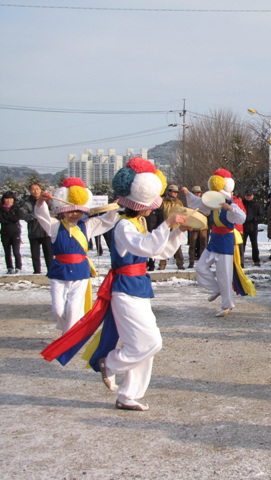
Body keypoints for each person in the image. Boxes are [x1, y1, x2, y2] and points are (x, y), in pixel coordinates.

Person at [41, 157, 189, 411]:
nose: (154, 209)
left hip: (138, 287)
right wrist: (167, 224)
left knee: (144, 345)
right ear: (140, 205)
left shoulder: (138, 223)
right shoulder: (123, 226)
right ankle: (109, 363)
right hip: (124, 290)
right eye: (151, 206)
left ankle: (127, 395)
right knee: (150, 342)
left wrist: (176, 233)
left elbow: (160, 251)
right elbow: (147, 246)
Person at [34, 178, 119, 332]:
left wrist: (115, 207)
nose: (74, 214)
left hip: (80, 272)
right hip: (59, 271)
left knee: (73, 308)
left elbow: (107, 221)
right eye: (71, 211)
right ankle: (66, 329)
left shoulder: (87, 226)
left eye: (78, 211)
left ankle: (68, 338)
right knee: (57, 310)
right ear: (63, 211)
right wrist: (40, 202)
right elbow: (42, 216)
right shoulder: (55, 226)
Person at [183, 168, 255, 317]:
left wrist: (231, 209)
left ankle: (227, 304)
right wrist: (187, 194)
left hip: (226, 243)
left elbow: (242, 218)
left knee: (225, 276)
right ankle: (216, 289)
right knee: (201, 268)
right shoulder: (212, 206)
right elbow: (198, 202)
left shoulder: (231, 206)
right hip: (213, 241)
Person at [21, 183, 53, 274]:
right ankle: (37, 272)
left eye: (37, 189)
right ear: (30, 191)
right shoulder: (27, 203)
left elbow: (53, 211)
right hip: (34, 232)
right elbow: (24, 216)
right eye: (33, 189)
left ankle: (50, 272)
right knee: (35, 255)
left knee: (49, 254)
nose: (35, 191)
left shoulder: (47, 201)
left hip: (46, 231)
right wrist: (37, 214)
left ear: (40, 190)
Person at [158, 184, 185, 270]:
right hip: (166, 226)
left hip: (176, 227)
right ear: (169, 192)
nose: (175, 193)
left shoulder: (179, 203)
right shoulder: (163, 202)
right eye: (173, 191)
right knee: (163, 246)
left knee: (177, 246)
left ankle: (180, 263)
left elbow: (183, 214)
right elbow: (160, 214)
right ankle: (162, 264)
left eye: (176, 192)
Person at [0, 191, 22, 274]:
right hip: (4, 232)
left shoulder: (16, 208)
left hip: (15, 232)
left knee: (16, 251)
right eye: (7, 199)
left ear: (13, 200)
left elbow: (16, 218)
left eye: (10, 199)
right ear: (3, 200)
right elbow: (1, 219)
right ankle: (9, 267)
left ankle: (18, 267)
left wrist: (7, 216)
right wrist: (10, 217)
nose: (9, 200)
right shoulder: (1, 208)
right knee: (7, 252)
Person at [187, 186, 208, 268]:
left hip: (203, 226)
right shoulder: (190, 203)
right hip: (193, 226)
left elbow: (208, 213)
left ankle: (203, 261)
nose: (197, 194)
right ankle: (191, 261)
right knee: (192, 244)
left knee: (203, 244)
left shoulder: (204, 202)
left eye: (198, 192)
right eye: (195, 192)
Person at [241, 189, 262, 267]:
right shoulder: (242, 204)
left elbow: (261, 216)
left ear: (253, 196)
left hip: (253, 227)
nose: (249, 197)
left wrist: (255, 219)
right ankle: (241, 260)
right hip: (243, 227)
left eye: (250, 195)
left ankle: (256, 260)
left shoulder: (256, 205)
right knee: (242, 245)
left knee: (254, 244)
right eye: (247, 195)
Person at [145, 204, 165, 271]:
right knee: (144, 248)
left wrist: (158, 230)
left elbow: (161, 220)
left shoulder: (158, 209)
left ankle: (151, 264)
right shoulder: (144, 207)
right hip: (144, 230)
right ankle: (144, 263)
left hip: (153, 230)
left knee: (152, 248)